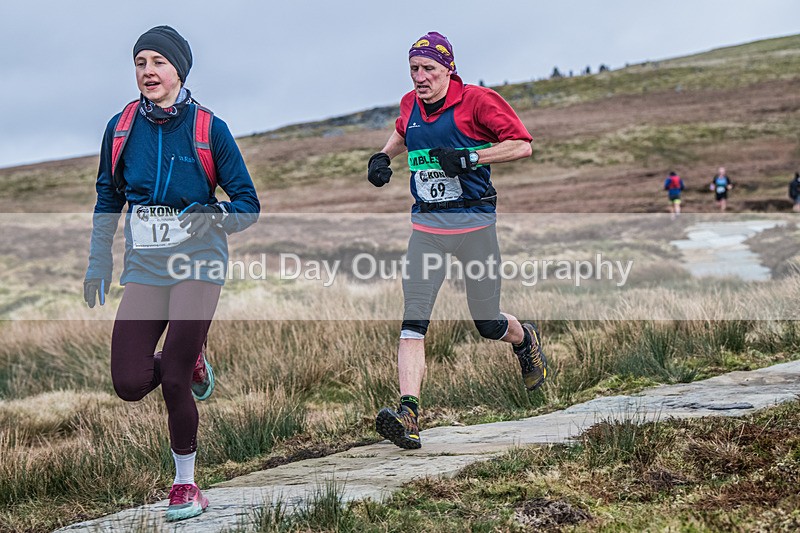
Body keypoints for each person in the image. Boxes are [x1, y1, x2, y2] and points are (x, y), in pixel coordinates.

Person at [83, 26, 260, 522]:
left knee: (174, 380)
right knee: (129, 381)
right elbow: (108, 197)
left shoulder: (208, 129)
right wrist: (99, 260)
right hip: (145, 267)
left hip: (199, 263)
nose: (148, 72)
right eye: (140, 63)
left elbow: (248, 204)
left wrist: (214, 213)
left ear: (179, 70)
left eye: (158, 62)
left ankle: (186, 485)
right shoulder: (121, 128)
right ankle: (192, 358)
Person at [366, 31, 547, 450]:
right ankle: (409, 414)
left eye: (428, 68)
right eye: (414, 68)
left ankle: (525, 339)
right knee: (413, 322)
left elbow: (521, 146)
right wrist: (383, 156)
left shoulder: (478, 101)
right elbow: (403, 131)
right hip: (427, 231)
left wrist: (471, 157)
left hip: (474, 227)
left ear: (449, 68)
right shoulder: (410, 104)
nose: (420, 77)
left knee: (487, 323)